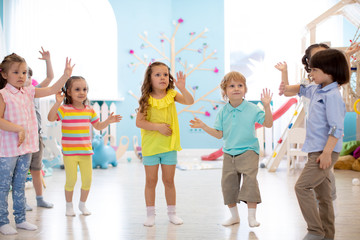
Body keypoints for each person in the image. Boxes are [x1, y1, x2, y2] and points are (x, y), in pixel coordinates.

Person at [275, 42, 360, 216]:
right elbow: (287, 90)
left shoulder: (331, 91)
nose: (316, 67)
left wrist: (346, 56)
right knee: (321, 192)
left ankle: (319, 228)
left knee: (321, 189)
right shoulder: (313, 86)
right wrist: (284, 72)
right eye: (314, 63)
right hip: (315, 143)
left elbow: (336, 126)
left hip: (326, 145)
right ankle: (323, 228)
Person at [0, 53, 74, 235]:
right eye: (16, 72)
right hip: (8, 149)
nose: (21, 76)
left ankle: (20, 219)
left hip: (26, 147)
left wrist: (65, 76)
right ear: (4, 74)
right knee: (3, 185)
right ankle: (2, 221)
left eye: (24, 72)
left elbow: (51, 89)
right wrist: (19, 129)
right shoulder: (3, 95)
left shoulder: (29, 91)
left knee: (19, 184)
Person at [189, 71, 273, 227]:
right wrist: (203, 126)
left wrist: (267, 106)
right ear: (225, 91)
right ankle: (234, 217)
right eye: (232, 86)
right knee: (228, 185)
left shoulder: (252, 108)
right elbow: (218, 134)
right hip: (229, 153)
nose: (236, 89)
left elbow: (268, 123)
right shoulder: (222, 112)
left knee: (250, 182)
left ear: (245, 89)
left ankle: (251, 217)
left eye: (240, 85)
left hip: (249, 150)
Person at [47, 76, 122, 217]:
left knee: (87, 180)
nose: (82, 92)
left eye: (84, 89)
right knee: (71, 180)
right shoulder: (64, 109)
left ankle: (82, 205)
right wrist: (57, 103)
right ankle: (69, 206)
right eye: (77, 89)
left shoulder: (89, 110)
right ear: (68, 92)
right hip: (70, 153)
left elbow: (98, 126)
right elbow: (51, 118)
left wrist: (108, 121)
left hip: (86, 152)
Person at [135, 62, 194, 227]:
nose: (163, 77)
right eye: (158, 74)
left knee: (169, 181)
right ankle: (150, 214)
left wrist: (182, 87)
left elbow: (189, 101)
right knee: (151, 181)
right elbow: (139, 122)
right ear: (149, 78)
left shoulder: (172, 94)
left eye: (165, 74)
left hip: (169, 146)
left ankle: (172, 213)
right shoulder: (146, 99)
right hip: (151, 147)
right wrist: (158, 127)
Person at [24, 47, 54, 211]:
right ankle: (22, 201)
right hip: (22, 139)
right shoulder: (13, 94)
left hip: (37, 137)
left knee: (36, 169)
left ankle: (39, 198)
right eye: (23, 74)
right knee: (22, 172)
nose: (26, 78)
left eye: (28, 75)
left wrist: (48, 61)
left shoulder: (34, 91)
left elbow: (50, 78)